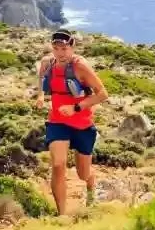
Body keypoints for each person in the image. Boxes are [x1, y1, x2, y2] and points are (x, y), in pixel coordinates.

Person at [35, 28, 108, 213]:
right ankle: (62, 214)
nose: (60, 53)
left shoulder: (80, 66)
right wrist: (41, 95)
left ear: (72, 47)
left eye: (64, 49)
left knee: (83, 174)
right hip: (57, 122)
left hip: (82, 124)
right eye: (56, 48)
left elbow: (102, 94)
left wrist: (75, 108)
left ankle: (91, 186)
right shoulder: (47, 63)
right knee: (58, 165)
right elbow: (42, 77)